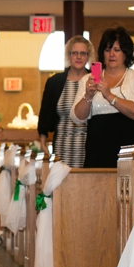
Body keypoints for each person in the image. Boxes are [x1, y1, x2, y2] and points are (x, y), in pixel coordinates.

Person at [72, 27, 134, 168]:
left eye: (117, 50)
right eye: (108, 50)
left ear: (126, 53)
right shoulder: (88, 79)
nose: (112, 54)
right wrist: (88, 96)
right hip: (97, 148)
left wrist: (109, 96)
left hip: (130, 149)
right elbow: (77, 117)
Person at [37, 35, 94, 168]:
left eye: (83, 53)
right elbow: (45, 113)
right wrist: (43, 141)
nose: (78, 57)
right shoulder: (54, 82)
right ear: (68, 55)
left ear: (88, 56)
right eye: (74, 53)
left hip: (88, 147)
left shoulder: (95, 81)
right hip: (62, 147)